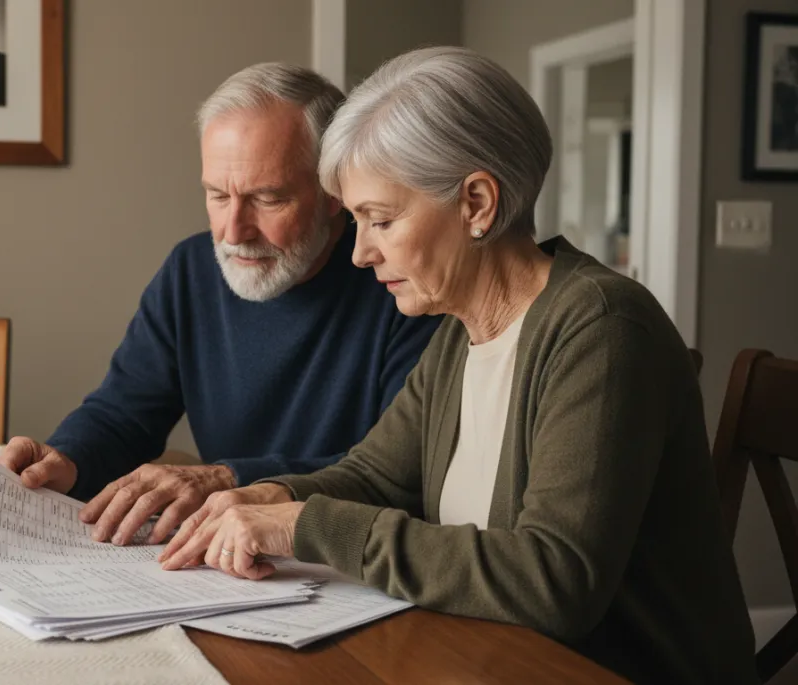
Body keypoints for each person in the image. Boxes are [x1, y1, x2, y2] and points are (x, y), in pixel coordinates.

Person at [160, 47, 758, 684]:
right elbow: (378, 476)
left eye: (381, 220)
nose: (360, 253)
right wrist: (269, 496)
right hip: (489, 659)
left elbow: (552, 580)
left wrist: (306, 524)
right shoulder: (458, 329)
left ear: (476, 202)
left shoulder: (601, 328)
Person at [0, 63, 441, 548]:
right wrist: (66, 458)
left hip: (344, 556)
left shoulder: (400, 282)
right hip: (225, 558)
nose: (233, 232)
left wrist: (230, 478)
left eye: (267, 199)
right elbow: (125, 413)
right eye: (216, 195)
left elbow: (396, 470)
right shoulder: (191, 270)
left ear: (333, 193)